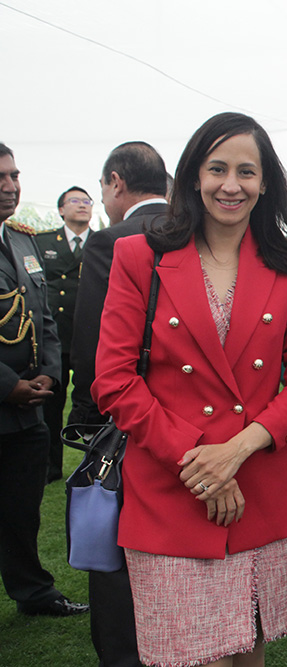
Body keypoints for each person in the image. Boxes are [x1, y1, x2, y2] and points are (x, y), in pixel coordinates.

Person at [91, 113, 287, 667]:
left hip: (258, 490)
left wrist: (237, 450)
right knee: (191, 657)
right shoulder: (139, 256)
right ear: (193, 175)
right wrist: (200, 464)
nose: (231, 184)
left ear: (265, 182)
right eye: (217, 168)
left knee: (248, 654)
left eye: (247, 171)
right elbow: (114, 380)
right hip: (170, 493)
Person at [73, 141, 169, 667]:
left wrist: (86, 421)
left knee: (117, 551)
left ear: (115, 183)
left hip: (128, 420)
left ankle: (124, 652)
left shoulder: (112, 240)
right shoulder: (196, 232)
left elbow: (93, 344)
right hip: (193, 421)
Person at [0, 142, 89, 618]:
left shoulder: (20, 239)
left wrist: (48, 375)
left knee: (21, 508)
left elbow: (44, 318)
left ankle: (32, 591)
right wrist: (7, 384)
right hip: (6, 395)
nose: (10, 187)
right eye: (1, 178)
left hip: (28, 407)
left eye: (14, 176)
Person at [35, 186, 93, 482]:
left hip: (88, 338)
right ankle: (50, 467)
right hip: (56, 337)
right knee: (51, 405)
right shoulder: (42, 242)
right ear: (61, 209)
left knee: (92, 403)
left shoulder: (102, 241)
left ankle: (95, 465)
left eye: (87, 201)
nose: (82, 206)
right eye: (75, 201)